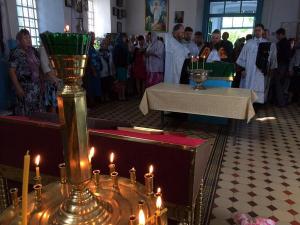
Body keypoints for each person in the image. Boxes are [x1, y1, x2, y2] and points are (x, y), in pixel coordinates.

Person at [236, 24, 277, 104]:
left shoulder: (267, 44)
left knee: (259, 86)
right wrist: (243, 70)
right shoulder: (249, 43)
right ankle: (248, 103)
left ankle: (257, 104)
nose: (257, 32)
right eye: (256, 30)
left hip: (260, 71)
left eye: (259, 30)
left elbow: (271, 58)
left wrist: (271, 69)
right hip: (249, 70)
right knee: (248, 87)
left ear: (262, 31)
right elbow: (243, 57)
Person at [8, 29, 43, 115]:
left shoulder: (34, 51)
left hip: (36, 87)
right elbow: (11, 71)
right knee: (26, 113)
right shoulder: (16, 53)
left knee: (38, 113)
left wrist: (42, 82)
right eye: (25, 38)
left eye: (29, 37)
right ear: (19, 41)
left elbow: (39, 67)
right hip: (24, 88)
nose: (28, 40)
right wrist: (18, 88)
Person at [270, 28, 291, 106]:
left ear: (281, 34)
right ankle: (277, 101)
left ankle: (281, 103)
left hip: (281, 65)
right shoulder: (286, 42)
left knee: (278, 84)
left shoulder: (282, 43)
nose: (276, 37)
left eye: (277, 35)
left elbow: (282, 56)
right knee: (278, 83)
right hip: (283, 65)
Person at [39, 45, 62, 112]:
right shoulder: (43, 49)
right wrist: (55, 80)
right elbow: (45, 68)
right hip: (51, 81)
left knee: (58, 103)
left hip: (57, 79)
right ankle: (52, 120)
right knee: (52, 104)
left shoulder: (53, 47)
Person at [85, 32, 102, 107]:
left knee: (96, 86)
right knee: (90, 86)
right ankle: (91, 102)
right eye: (92, 37)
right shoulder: (87, 47)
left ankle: (94, 101)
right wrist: (93, 70)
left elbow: (97, 57)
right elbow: (89, 60)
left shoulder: (94, 46)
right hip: (90, 71)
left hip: (96, 69)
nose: (94, 39)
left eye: (94, 37)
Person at [113, 33, 129, 100]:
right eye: (125, 37)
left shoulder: (124, 45)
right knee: (120, 82)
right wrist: (116, 66)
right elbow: (115, 57)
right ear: (122, 37)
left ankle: (123, 96)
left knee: (123, 82)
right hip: (120, 66)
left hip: (123, 66)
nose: (126, 39)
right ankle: (120, 96)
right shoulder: (118, 46)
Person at [99, 38, 115, 102]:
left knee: (108, 84)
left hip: (109, 71)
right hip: (102, 72)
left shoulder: (109, 52)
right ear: (101, 45)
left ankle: (107, 97)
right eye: (103, 44)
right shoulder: (98, 53)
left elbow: (112, 62)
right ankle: (103, 97)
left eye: (106, 44)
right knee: (103, 85)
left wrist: (113, 71)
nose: (105, 45)